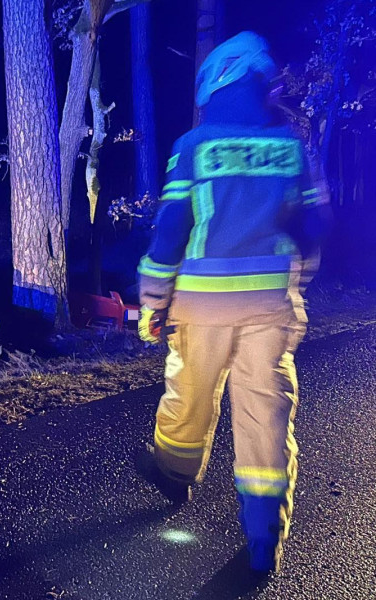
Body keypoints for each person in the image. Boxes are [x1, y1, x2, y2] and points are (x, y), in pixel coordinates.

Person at [135, 31, 331, 574]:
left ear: (216, 82)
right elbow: (314, 225)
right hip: (270, 304)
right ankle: (265, 534)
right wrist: (297, 277)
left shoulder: (194, 145)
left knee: (191, 392)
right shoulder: (291, 146)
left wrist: (153, 301)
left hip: (202, 306)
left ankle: (174, 474)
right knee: (266, 414)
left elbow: (170, 232)